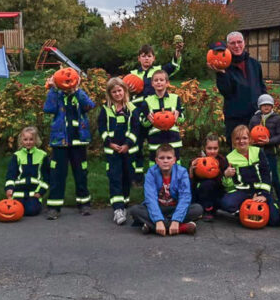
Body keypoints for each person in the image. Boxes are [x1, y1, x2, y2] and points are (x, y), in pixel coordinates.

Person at [43, 70, 96, 219]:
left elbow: (89, 105)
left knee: (81, 173)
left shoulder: (79, 95)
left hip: (78, 142)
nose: (67, 81)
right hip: (60, 143)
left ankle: (84, 203)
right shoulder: (57, 96)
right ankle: (54, 207)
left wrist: (77, 90)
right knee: (57, 175)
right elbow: (49, 108)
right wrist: (53, 89)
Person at [129, 42, 183, 182]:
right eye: (143, 56)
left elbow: (173, 67)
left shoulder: (159, 71)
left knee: (157, 144)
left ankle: (167, 176)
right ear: (139, 58)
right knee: (137, 145)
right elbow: (125, 90)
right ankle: (138, 176)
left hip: (156, 111)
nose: (146, 59)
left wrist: (177, 55)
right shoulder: (133, 75)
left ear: (153, 58)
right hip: (138, 112)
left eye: (149, 56)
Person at [128, 144, 202, 236]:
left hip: (174, 208)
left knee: (197, 209)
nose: (165, 161)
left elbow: (185, 197)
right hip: (158, 207)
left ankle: (152, 226)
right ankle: (181, 228)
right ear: (156, 161)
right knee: (135, 210)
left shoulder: (182, 172)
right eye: (162, 158)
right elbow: (150, 198)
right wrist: (158, 220)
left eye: (168, 158)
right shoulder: (151, 173)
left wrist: (176, 219)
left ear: (174, 160)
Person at [210, 32, 268, 142]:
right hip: (235, 117)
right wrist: (221, 73)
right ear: (228, 46)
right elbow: (226, 92)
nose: (237, 46)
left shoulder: (255, 64)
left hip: (255, 115)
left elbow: (261, 86)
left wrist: (266, 104)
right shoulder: (224, 66)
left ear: (244, 43)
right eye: (233, 43)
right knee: (236, 149)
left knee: (255, 148)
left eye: (239, 42)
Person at [219, 125, 280, 226]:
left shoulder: (258, 152)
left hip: (260, 190)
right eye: (237, 139)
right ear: (233, 141)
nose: (241, 141)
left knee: (275, 221)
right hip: (242, 192)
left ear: (250, 139)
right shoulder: (230, 158)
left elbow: (266, 174)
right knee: (226, 203)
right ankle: (243, 212)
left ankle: (274, 204)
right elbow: (229, 186)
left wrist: (264, 194)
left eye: (244, 138)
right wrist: (226, 176)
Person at [98, 78, 140, 225]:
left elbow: (135, 129)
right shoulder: (106, 110)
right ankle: (118, 208)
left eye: (119, 90)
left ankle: (125, 203)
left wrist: (128, 144)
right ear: (110, 93)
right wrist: (109, 143)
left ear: (125, 91)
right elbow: (102, 128)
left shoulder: (132, 109)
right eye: (114, 91)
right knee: (115, 178)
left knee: (127, 178)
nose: (117, 94)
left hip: (128, 151)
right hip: (113, 152)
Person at [137, 70, 184, 163]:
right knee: (154, 164)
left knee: (175, 163)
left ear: (167, 83)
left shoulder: (175, 98)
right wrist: (148, 119)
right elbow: (143, 121)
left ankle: (176, 178)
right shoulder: (147, 101)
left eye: (161, 80)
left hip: (173, 138)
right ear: (152, 84)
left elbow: (182, 118)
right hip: (155, 138)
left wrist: (178, 115)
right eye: (156, 80)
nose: (158, 82)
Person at [4, 127, 50, 217]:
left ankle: (35, 204)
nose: (28, 142)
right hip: (18, 192)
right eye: (25, 139)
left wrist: (41, 192)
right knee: (17, 210)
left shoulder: (42, 155)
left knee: (31, 211)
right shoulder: (17, 156)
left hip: (34, 192)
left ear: (36, 140)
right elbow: (11, 174)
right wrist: (9, 188)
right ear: (21, 140)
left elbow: (47, 176)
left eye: (31, 139)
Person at [248, 94, 280, 199]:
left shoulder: (277, 119)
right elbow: (249, 132)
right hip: (256, 153)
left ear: (272, 106)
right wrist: (251, 141)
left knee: (273, 177)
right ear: (259, 106)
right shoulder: (254, 119)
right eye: (264, 105)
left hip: (270, 152)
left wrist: (269, 141)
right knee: (259, 176)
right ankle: (266, 196)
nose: (266, 107)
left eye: (269, 105)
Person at [189, 134, 228, 221]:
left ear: (219, 148)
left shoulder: (222, 160)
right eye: (209, 148)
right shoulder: (198, 160)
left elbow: (223, 181)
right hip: (200, 191)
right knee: (197, 187)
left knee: (208, 184)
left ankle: (209, 210)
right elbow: (192, 181)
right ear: (204, 148)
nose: (212, 151)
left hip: (216, 191)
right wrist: (191, 171)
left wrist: (222, 173)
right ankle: (195, 209)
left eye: (215, 148)